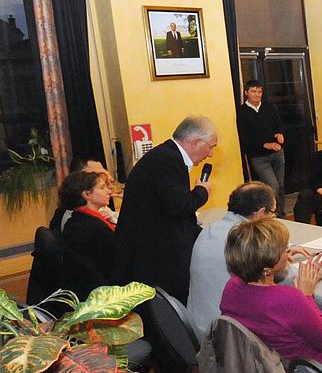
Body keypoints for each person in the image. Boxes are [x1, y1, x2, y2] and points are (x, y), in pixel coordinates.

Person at [219, 218, 322, 373]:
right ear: (267, 267)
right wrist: (307, 296)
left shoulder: (231, 287)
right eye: (285, 250)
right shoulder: (290, 299)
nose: (289, 253)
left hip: (266, 369)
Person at [189, 182, 322, 340]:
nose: (273, 218)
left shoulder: (210, 229)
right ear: (260, 213)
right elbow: (296, 278)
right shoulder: (245, 241)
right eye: (272, 213)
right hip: (232, 340)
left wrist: (280, 251)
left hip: (202, 328)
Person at [116, 115, 215, 302]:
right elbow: (179, 206)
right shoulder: (168, 160)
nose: (210, 154)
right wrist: (202, 191)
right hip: (153, 254)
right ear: (195, 142)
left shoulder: (166, 155)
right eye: (211, 146)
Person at [58, 170, 118, 298]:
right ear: (86, 194)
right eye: (102, 187)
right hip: (101, 292)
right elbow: (119, 259)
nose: (108, 191)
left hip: (91, 285)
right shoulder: (93, 227)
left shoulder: (77, 220)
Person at [236, 80, 286, 213]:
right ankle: (273, 215)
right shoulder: (242, 112)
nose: (257, 94)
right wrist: (265, 145)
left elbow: (278, 124)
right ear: (246, 93)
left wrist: (280, 133)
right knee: (272, 186)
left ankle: (281, 214)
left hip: (277, 153)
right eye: (253, 91)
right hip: (259, 157)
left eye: (259, 92)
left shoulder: (269, 107)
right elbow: (245, 137)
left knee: (280, 185)